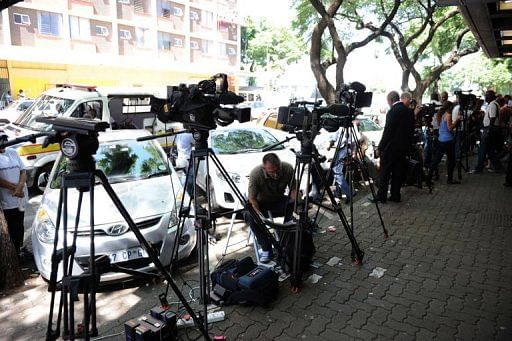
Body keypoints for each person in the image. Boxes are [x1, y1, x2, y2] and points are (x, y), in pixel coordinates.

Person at [246, 153, 296, 263]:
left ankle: (286, 242)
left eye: (277, 170)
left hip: (278, 200)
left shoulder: (288, 168)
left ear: (280, 165)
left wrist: (298, 205)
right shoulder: (256, 173)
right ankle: (266, 248)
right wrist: (258, 215)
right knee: (250, 216)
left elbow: (293, 190)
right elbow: (252, 198)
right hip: (261, 202)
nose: (276, 174)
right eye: (271, 172)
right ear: (264, 168)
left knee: (294, 207)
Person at [373, 91, 414, 203]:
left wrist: (380, 147)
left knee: (385, 172)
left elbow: (388, 132)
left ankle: (382, 195)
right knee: (398, 172)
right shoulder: (409, 112)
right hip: (403, 148)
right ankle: (395, 195)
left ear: (390, 100)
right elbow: (411, 131)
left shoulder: (392, 112)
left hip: (391, 148)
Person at [0, 134, 28, 257]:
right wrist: (14, 188)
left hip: (20, 197)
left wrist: (20, 186)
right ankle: (15, 253)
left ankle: (19, 249)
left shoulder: (12, 152)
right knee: (12, 228)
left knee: (20, 225)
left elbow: (23, 171)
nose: (3, 145)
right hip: (7, 201)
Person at [426, 101, 462, 185]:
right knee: (451, 160)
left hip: (441, 140)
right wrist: (457, 120)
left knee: (436, 160)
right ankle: (449, 179)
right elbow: (450, 128)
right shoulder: (448, 115)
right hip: (448, 141)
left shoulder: (441, 114)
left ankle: (428, 178)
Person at [471, 90, 503, 173]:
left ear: (492, 96)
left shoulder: (492, 105)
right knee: (490, 150)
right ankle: (498, 167)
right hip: (491, 129)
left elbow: (492, 117)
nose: (486, 97)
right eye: (486, 95)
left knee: (482, 149)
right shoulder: (493, 104)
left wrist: (488, 130)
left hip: (490, 129)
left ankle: (479, 168)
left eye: (487, 95)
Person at [327, 128, 356, 203]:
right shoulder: (349, 124)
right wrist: (353, 152)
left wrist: (329, 147)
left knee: (337, 172)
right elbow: (356, 140)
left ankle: (350, 192)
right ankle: (338, 193)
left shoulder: (337, 126)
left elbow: (333, 140)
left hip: (343, 149)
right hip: (348, 149)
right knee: (339, 171)